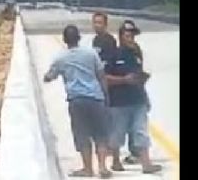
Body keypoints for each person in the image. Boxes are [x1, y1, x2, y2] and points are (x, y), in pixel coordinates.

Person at [44, 25, 113, 178]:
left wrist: (49, 76)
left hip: (77, 100)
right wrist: (106, 96)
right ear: (79, 38)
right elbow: (101, 75)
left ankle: (88, 169)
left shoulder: (61, 58)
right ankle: (102, 167)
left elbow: (49, 76)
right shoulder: (91, 53)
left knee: (82, 135)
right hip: (96, 98)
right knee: (100, 134)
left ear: (64, 40)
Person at [103, 20, 162, 174]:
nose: (131, 38)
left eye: (133, 35)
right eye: (128, 35)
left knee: (141, 131)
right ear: (121, 36)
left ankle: (146, 164)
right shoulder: (113, 54)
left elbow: (140, 73)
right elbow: (105, 77)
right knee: (117, 132)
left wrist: (143, 87)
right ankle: (116, 161)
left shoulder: (137, 52)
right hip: (119, 101)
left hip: (138, 99)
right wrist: (123, 80)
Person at [91, 12, 142, 165]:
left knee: (132, 123)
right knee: (115, 122)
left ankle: (133, 151)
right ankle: (114, 155)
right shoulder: (97, 40)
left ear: (106, 24)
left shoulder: (110, 42)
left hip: (130, 91)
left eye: (100, 22)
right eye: (95, 22)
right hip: (111, 85)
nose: (96, 25)